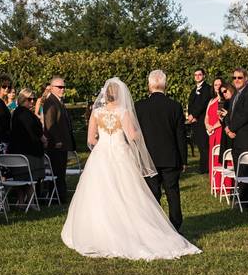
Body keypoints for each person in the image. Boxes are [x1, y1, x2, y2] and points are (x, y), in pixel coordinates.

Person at [61, 78, 200, 260]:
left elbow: (91, 139)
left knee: (100, 194)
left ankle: (101, 231)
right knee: (128, 193)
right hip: (120, 155)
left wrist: (103, 144)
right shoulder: (123, 112)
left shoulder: (96, 112)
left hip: (101, 156)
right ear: (120, 94)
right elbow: (133, 136)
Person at [136, 70, 187, 231]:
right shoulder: (175, 106)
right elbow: (181, 135)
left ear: (149, 86)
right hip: (170, 157)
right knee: (173, 193)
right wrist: (183, 159)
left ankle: (156, 226)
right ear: (165, 85)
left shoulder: (139, 107)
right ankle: (175, 225)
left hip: (148, 157)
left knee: (152, 194)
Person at [225, 67, 248, 202]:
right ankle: (242, 197)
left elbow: (246, 115)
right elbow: (229, 114)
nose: (237, 80)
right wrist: (228, 127)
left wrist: (232, 128)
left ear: (246, 78)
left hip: (246, 138)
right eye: (234, 78)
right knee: (238, 169)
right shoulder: (235, 94)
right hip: (235, 138)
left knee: (247, 169)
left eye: (240, 77)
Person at [42, 76, 76, 204]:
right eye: (59, 87)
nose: (62, 89)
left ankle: (60, 196)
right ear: (51, 88)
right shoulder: (50, 102)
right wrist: (56, 140)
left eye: (63, 87)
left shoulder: (58, 101)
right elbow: (50, 124)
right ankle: (58, 197)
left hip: (62, 143)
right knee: (57, 171)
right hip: (56, 144)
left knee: (60, 171)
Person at [9, 87, 47, 180]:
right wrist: (43, 139)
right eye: (29, 99)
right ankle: (32, 195)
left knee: (21, 183)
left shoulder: (16, 112)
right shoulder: (25, 114)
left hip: (19, 153)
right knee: (30, 182)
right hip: (29, 155)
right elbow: (34, 130)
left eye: (34, 99)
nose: (32, 101)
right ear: (22, 99)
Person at [186, 68, 212, 174]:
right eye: (195, 75)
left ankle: (205, 168)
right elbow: (191, 104)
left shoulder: (207, 88)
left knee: (204, 145)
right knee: (200, 145)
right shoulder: (193, 90)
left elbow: (204, 103)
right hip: (195, 121)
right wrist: (190, 116)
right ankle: (203, 166)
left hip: (202, 120)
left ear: (204, 76)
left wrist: (195, 115)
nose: (197, 76)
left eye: (199, 74)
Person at [204, 78, 226, 191]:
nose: (217, 86)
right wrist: (207, 125)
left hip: (219, 130)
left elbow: (221, 118)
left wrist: (213, 126)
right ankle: (215, 184)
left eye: (219, 84)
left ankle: (223, 185)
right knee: (213, 156)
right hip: (211, 132)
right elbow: (207, 116)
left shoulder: (223, 100)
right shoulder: (211, 100)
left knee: (219, 156)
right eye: (215, 84)